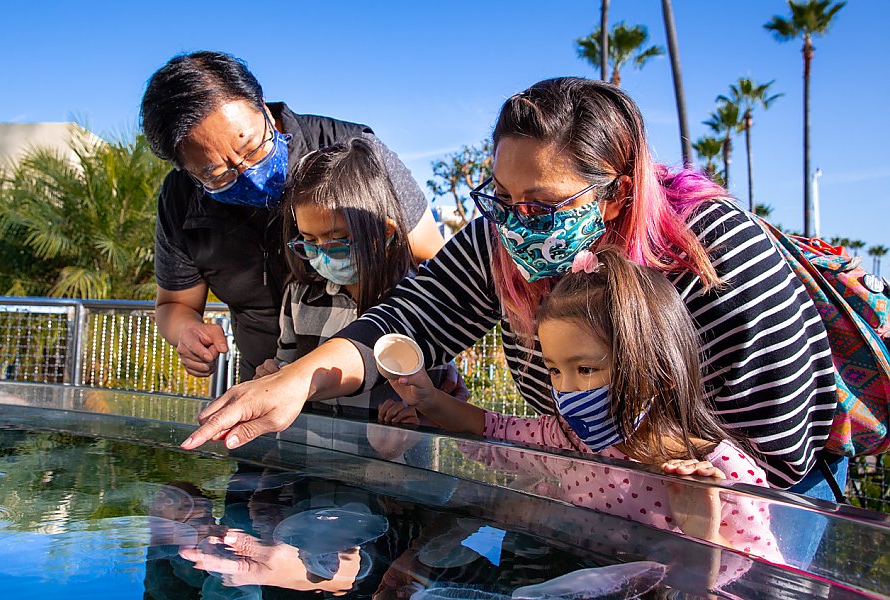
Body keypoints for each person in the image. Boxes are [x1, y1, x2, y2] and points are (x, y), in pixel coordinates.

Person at [181, 77, 839, 498]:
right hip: (605, 498)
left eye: (542, 202)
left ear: (618, 195)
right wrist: (301, 379)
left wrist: (674, 509)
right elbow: (412, 315)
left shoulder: (715, 251)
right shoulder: (498, 242)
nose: (514, 224)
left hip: (738, 510)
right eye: (501, 197)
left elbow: (774, 444)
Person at [380, 247, 782, 561]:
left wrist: (703, 537)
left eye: (586, 369)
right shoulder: (568, 440)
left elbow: (759, 584)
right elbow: (493, 432)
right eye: (555, 371)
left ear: (658, 371)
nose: (567, 390)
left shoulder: (725, 476)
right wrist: (428, 399)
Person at [140, 51, 444, 381]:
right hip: (265, 382)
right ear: (187, 170)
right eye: (217, 174)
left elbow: (435, 267)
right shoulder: (180, 198)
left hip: (386, 382)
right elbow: (174, 305)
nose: (249, 174)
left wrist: (436, 364)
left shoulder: (352, 151)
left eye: (253, 147)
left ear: (264, 108)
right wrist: (188, 332)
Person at [254, 138, 451, 417]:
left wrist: (415, 424)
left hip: (386, 458)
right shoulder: (300, 296)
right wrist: (272, 377)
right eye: (309, 243)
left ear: (384, 233)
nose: (322, 255)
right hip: (312, 452)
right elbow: (285, 365)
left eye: (336, 244)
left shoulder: (416, 304)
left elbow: (438, 398)